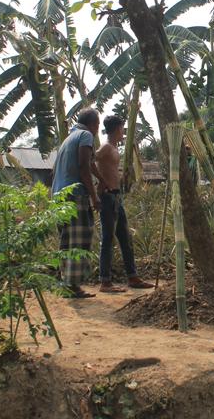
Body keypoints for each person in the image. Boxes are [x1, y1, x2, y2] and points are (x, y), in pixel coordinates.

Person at [94, 115, 154, 293]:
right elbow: (91, 159)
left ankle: (132, 276)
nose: (123, 132)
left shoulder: (112, 148)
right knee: (108, 239)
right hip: (108, 197)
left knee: (125, 238)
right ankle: (105, 281)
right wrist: (100, 183)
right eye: (122, 128)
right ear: (117, 129)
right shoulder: (105, 147)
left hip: (116, 198)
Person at [51, 108, 101, 298]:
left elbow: (89, 164)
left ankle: (65, 282)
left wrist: (101, 178)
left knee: (66, 240)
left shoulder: (68, 139)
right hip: (75, 195)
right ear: (93, 124)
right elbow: (83, 165)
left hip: (59, 195)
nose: (97, 129)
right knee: (79, 239)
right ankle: (73, 285)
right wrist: (94, 196)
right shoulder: (86, 135)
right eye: (97, 124)